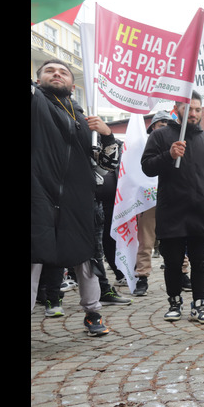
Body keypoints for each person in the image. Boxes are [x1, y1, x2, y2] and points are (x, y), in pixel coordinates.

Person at [31, 59, 120, 336]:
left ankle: (93, 313)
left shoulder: (84, 119)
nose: (57, 74)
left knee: (85, 256)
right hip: (38, 194)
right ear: (38, 79)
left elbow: (107, 166)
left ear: (72, 83)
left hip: (78, 199)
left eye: (63, 72)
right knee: (33, 256)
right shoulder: (36, 103)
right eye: (49, 71)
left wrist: (106, 135)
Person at [141, 91, 204, 324]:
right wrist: (168, 155)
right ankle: (174, 302)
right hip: (171, 210)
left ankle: (199, 305)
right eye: (190, 109)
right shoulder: (160, 136)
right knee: (173, 261)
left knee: (201, 262)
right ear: (177, 108)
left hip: (201, 211)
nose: (194, 114)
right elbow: (147, 167)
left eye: (198, 110)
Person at [132, 111, 174, 297]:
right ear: (153, 128)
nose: (164, 126)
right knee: (146, 240)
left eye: (167, 123)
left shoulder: (178, 144)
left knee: (177, 237)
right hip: (149, 199)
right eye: (160, 123)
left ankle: (182, 273)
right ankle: (142, 277)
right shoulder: (144, 145)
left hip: (173, 197)